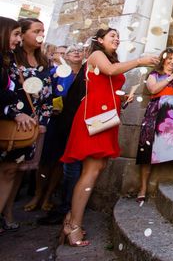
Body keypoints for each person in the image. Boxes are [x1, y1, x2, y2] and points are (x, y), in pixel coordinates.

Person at [59, 28, 157, 247]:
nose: (117, 38)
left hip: (107, 116)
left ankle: (70, 219)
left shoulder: (110, 59)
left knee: (98, 167)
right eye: (112, 35)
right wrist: (140, 60)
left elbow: (107, 84)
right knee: (90, 171)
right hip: (93, 116)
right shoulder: (96, 55)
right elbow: (111, 71)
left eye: (118, 36)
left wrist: (122, 100)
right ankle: (73, 225)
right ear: (100, 40)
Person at [4, 18, 52, 226]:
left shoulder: (44, 62)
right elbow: (7, 90)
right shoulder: (10, 58)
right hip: (10, 119)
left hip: (32, 123)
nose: (41, 35)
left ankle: (7, 213)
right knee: (6, 168)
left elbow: (47, 94)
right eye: (36, 31)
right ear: (22, 34)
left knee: (17, 169)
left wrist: (43, 120)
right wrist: (13, 112)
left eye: (43, 31)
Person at [37, 45, 85, 226]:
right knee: (46, 158)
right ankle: (38, 195)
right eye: (72, 50)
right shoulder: (56, 72)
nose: (77, 53)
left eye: (80, 50)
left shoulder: (85, 74)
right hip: (56, 118)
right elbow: (46, 93)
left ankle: (50, 196)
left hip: (74, 120)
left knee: (63, 161)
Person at [136, 48, 173, 202]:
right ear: (163, 59)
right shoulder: (154, 75)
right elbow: (153, 88)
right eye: (170, 58)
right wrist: (172, 76)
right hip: (156, 110)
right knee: (147, 146)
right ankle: (143, 187)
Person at [0, 16, 38, 234]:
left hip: (14, 125)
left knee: (10, 171)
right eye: (15, 34)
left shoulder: (7, 60)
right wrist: (13, 111)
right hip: (8, 121)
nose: (17, 39)